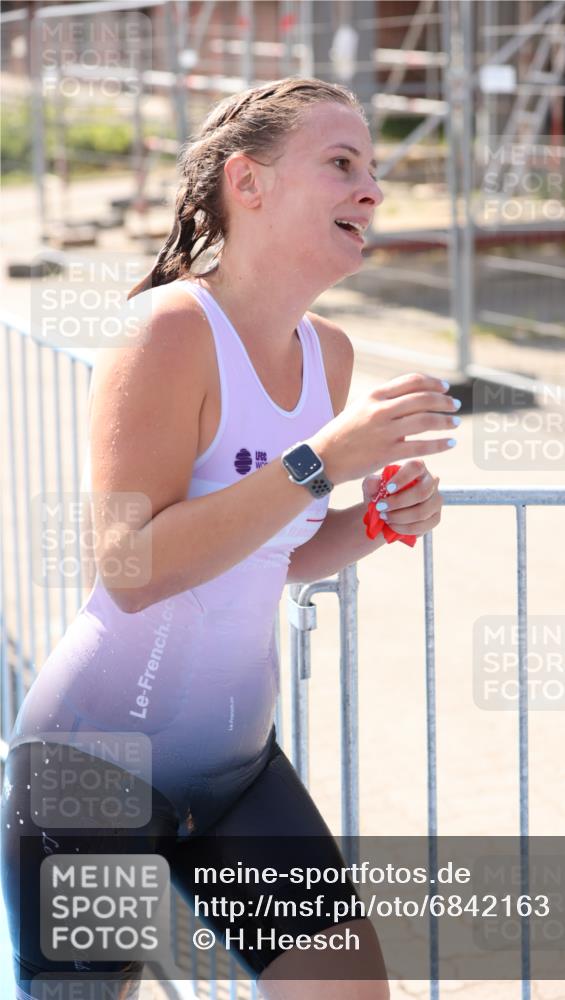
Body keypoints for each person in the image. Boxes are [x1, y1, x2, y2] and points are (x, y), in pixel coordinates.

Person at [1, 76, 460, 1000]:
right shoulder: (168, 331)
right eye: (340, 163)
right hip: (97, 768)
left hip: (239, 770)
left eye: (371, 168)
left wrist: (371, 522)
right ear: (246, 184)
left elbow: (264, 555)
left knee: (349, 991)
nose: (372, 188)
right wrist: (320, 462)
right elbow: (131, 570)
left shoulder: (327, 354)